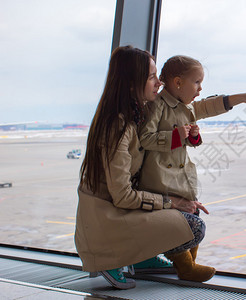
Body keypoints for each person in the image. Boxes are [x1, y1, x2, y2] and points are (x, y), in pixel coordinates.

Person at [74, 46, 215, 291]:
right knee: (194, 226)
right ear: (131, 83)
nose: (159, 82)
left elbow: (198, 108)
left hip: (120, 213)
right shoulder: (117, 128)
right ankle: (114, 257)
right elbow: (123, 195)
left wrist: (243, 98)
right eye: (151, 76)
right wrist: (172, 202)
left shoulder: (133, 117)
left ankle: (140, 256)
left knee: (190, 212)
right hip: (109, 225)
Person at [138, 55, 246, 272]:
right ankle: (184, 267)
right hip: (160, 182)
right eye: (196, 82)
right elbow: (145, 139)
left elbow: (210, 106)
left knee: (193, 213)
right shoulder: (158, 106)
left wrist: (193, 134)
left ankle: (188, 265)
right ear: (177, 82)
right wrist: (175, 136)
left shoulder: (186, 107)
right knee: (186, 223)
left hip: (178, 180)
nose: (200, 89)